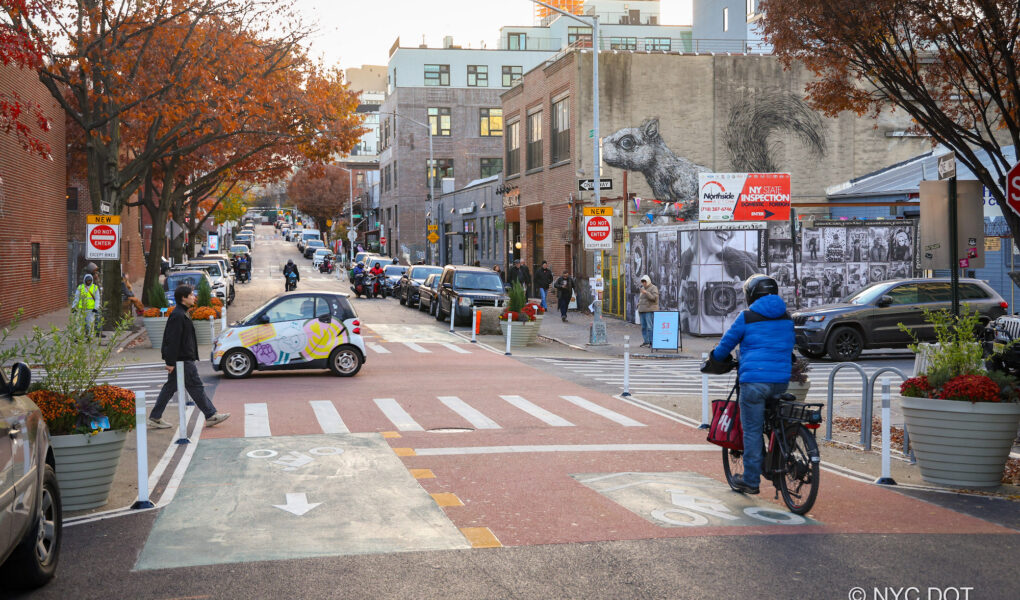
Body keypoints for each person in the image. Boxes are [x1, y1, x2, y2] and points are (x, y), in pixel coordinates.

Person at [707, 274, 794, 495]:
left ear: (751, 295)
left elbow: (727, 343)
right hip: (781, 381)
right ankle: (779, 458)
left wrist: (715, 358)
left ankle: (751, 480)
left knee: (752, 431)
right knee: (773, 421)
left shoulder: (747, 317)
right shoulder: (787, 317)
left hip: (754, 382)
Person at [147, 285, 230, 429]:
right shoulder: (178, 315)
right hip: (182, 360)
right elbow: (172, 340)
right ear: (183, 298)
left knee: (171, 387)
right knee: (195, 386)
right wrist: (170, 362)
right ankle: (211, 415)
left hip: (182, 359)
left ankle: (155, 417)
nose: (194, 297)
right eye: (191, 295)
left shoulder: (182, 313)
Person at [637, 274, 659, 347]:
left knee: (650, 327)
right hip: (642, 310)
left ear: (648, 281)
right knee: (643, 327)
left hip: (649, 310)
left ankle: (652, 342)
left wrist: (646, 293)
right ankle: (646, 341)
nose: (644, 283)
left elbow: (654, 298)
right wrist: (638, 305)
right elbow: (641, 299)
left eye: (645, 281)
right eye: (642, 282)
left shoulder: (653, 288)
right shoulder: (643, 288)